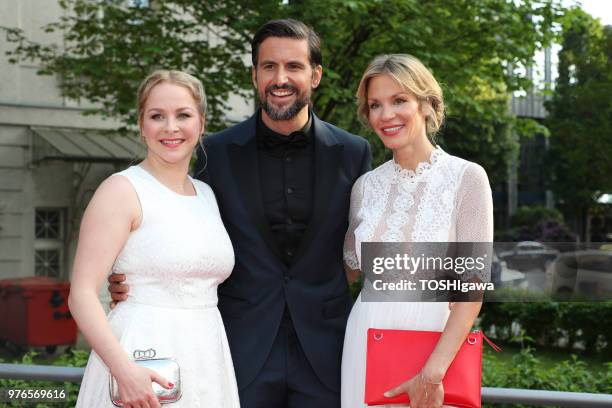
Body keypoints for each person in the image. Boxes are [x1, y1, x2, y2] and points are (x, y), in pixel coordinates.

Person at [109, 19, 371, 408]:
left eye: (294, 67)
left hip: (327, 353)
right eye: (269, 67)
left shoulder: (354, 152)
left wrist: (448, 294)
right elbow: (181, 226)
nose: (280, 78)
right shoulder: (214, 152)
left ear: (315, 75)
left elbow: (365, 246)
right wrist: (133, 280)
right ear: (254, 75)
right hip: (237, 352)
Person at [69, 70, 240, 407]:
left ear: (201, 123)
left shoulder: (206, 194)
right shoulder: (121, 190)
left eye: (183, 115)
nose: (170, 127)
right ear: (141, 124)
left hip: (206, 357)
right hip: (140, 357)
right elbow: (82, 294)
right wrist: (124, 370)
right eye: (157, 116)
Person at [341, 54, 493, 407]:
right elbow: (348, 270)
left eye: (399, 100)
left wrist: (433, 372)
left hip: (435, 348)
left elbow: (472, 289)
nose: (386, 115)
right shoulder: (364, 186)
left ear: (426, 104)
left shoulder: (467, 178)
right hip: (366, 338)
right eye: (375, 105)